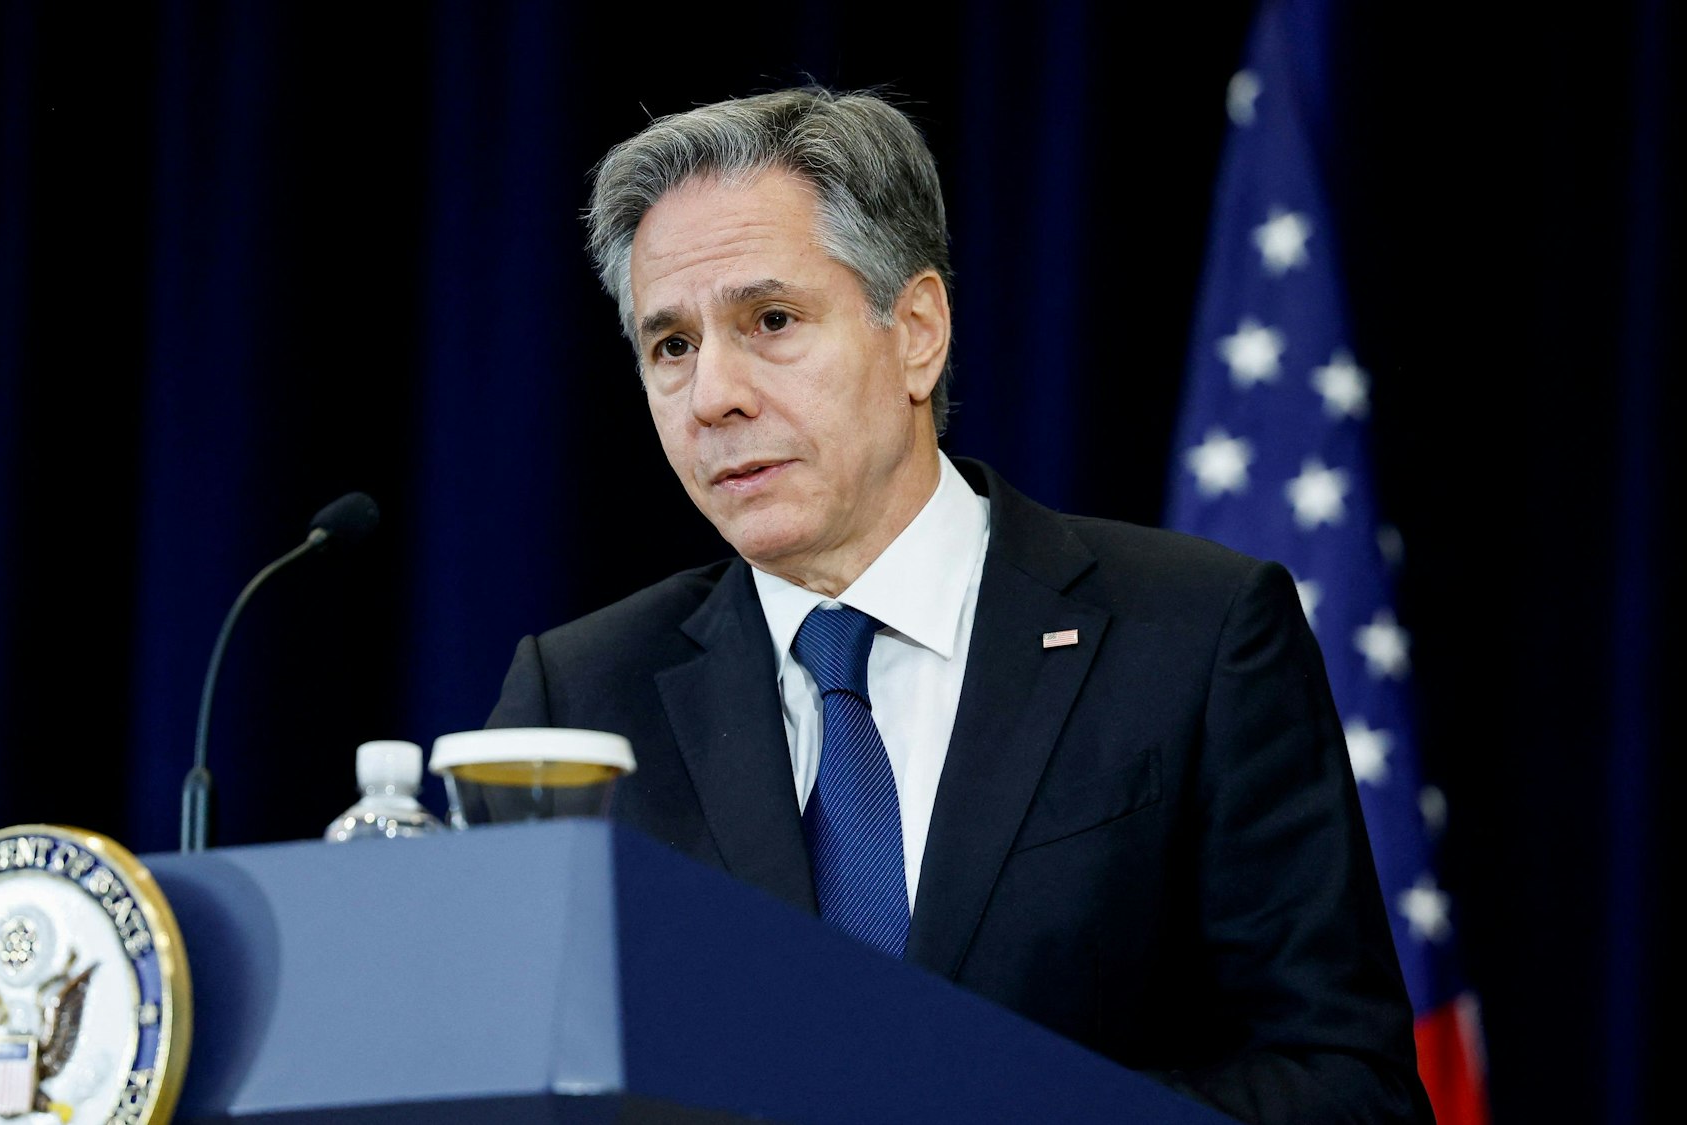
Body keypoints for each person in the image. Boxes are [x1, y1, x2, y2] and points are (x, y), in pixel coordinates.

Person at [486, 86, 1432, 1125]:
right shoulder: (576, 701)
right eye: (670, 346)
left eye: (770, 321)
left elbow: (1348, 1089)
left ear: (917, 333)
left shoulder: (1193, 638)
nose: (712, 393)